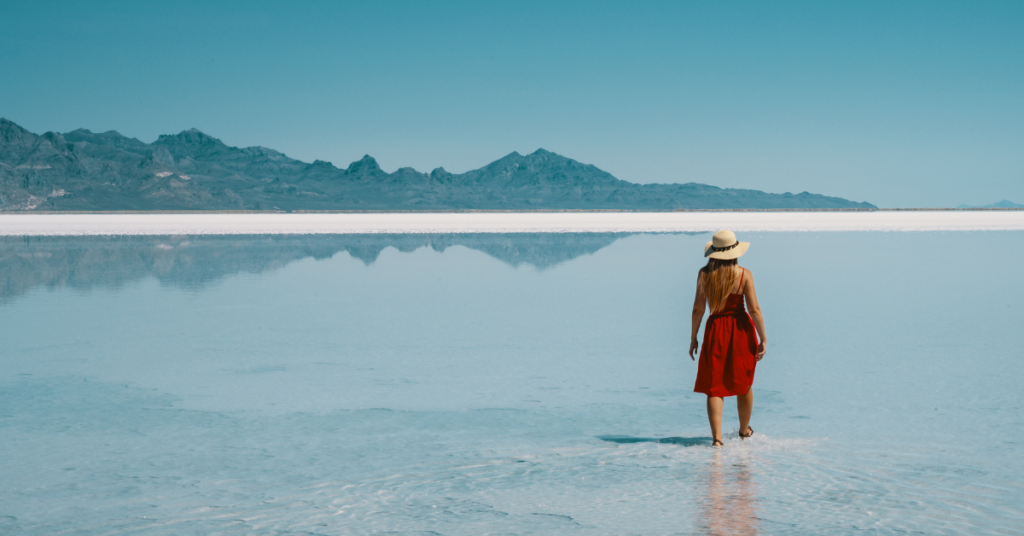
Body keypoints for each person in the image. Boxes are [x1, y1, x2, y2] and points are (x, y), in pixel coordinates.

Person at [688, 230, 767, 447]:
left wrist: (694, 337)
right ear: (734, 252)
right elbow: (755, 310)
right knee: (744, 383)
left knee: (715, 385)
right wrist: (763, 337)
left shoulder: (704, 274)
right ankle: (744, 431)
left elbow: (698, 310)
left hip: (715, 329)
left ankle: (717, 439)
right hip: (741, 330)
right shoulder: (744, 274)